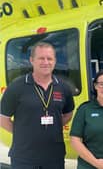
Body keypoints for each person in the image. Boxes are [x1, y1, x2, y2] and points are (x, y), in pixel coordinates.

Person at [0, 41, 74, 169]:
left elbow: (68, 114)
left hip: (54, 157)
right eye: (41, 58)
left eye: (49, 58)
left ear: (55, 61)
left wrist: (54, 126)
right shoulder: (16, 87)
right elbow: (3, 119)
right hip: (24, 157)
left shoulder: (63, 87)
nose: (46, 62)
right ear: (31, 60)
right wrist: (23, 131)